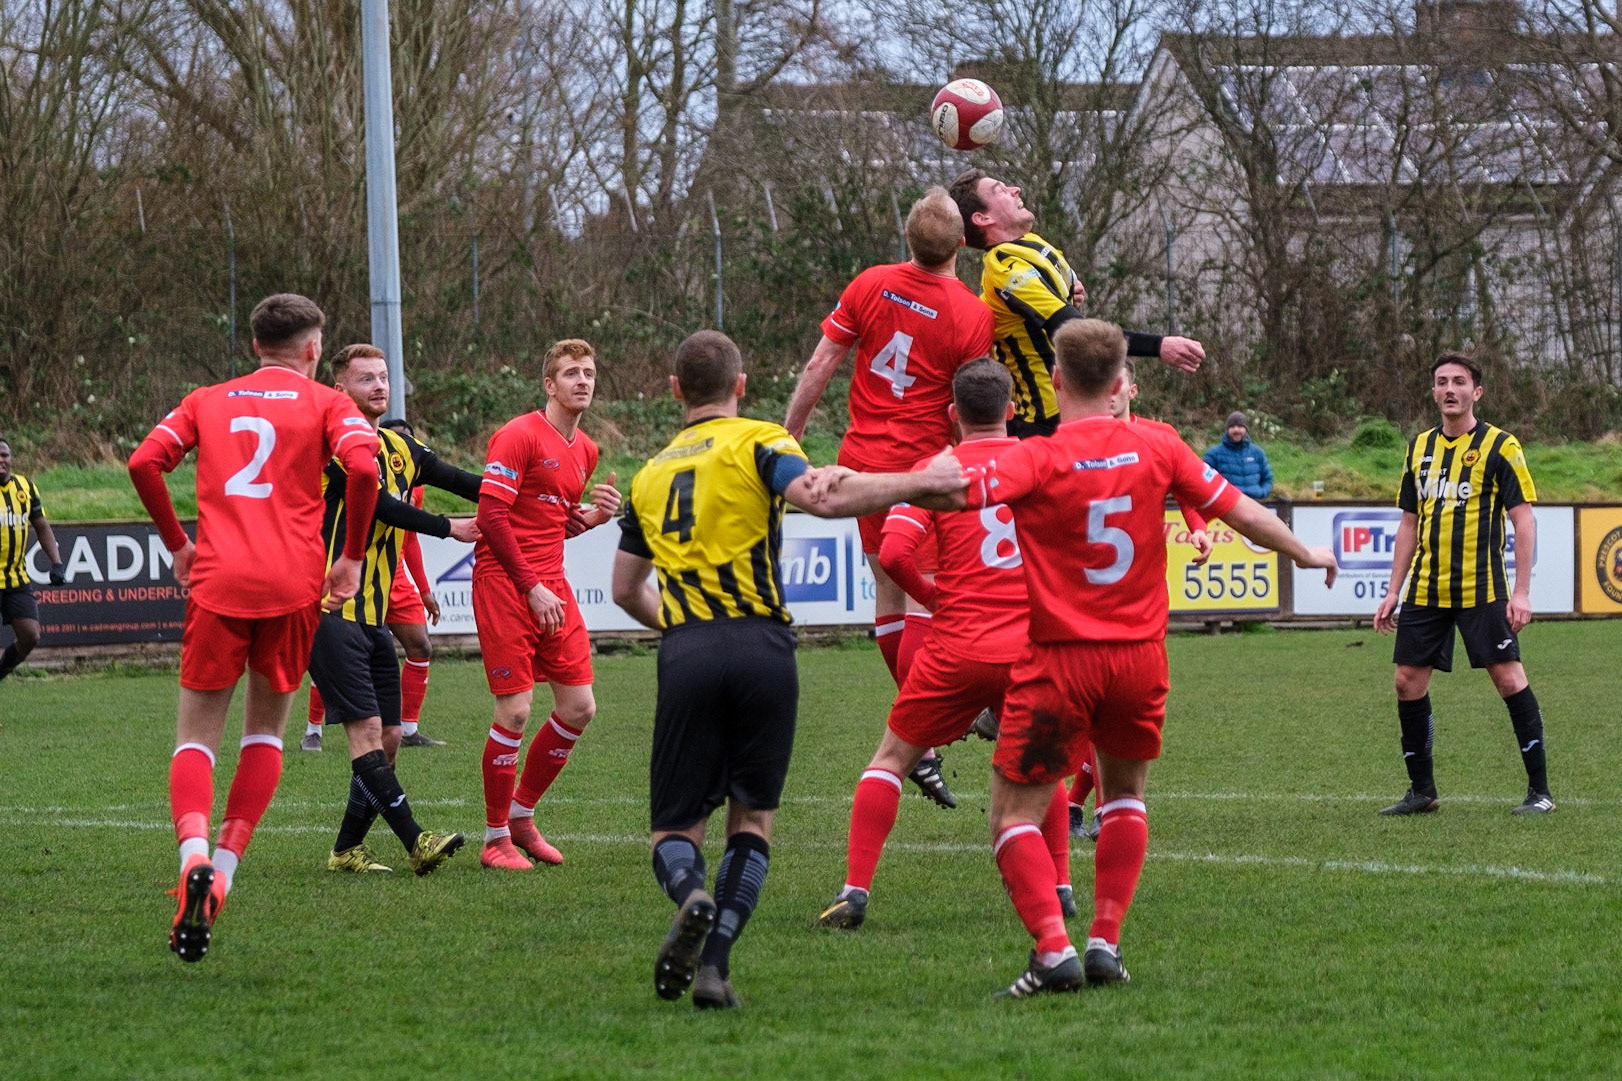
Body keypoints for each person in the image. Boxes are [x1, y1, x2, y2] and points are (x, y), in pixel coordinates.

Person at [951, 318, 1334, 996]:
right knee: (1124, 795)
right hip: (1138, 660)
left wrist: (855, 488)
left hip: (1061, 661)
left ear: (1056, 379)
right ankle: (1105, 940)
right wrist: (1306, 552)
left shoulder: (1037, 453)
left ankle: (1051, 948)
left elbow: (944, 488)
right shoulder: (1160, 444)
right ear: (1123, 380)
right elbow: (1242, 510)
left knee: (1012, 816)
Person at [611, 329, 969, 1011]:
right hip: (762, 650)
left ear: (674, 390)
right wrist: (923, 481)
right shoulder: (760, 440)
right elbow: (823, 497)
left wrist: (684, 626)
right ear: (741, 385)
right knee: (752, 822)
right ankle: (714, 968)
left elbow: (626, 587)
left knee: (674, 831)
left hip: (687, 648)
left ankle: (691, 895)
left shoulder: (649, 475)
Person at [126, 293, 381, 962]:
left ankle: (191, 858)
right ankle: (226, 874)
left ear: (254, 345)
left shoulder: (207, 398)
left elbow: (142, 462)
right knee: (265, 731)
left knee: (196, 739)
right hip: (292, 585)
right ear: (313, 349)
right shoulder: (328, 404)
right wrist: (349, 555)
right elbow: (362, 466)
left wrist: (178, 544)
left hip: (219, 581)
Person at [815, 358, 1077, 929]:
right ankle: (1060, 885)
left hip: (959, 646)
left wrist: (936, 602)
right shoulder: (1046, 464)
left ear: (953, 415)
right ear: (1012, 411)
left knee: (890, 760)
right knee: (1041, 768)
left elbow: (893, 554)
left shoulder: (936, 470)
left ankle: (854, 892)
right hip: (1033, 648)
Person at [782, 187, 993, 808]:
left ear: (907, 239)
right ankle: (937, 725)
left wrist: (788, 439)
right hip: (923, 476)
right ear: (962, 243)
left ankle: (925, 739)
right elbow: (968, 407)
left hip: (860, 470)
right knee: (940, 597)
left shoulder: (871, 283)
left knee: (889, 592)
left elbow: (821, 364)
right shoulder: (971, 313)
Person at [308, 344, 479, 875]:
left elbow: (461, 479)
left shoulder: (402, 448)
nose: (379, 386)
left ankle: (345, 849)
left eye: (383, 378)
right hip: (328, 610)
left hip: (373, 616)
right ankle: (416, 840)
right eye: (365, 380)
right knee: (365, 736)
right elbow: (377, 501)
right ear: (340, 390)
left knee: (389, 738)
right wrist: (449, 526)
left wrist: (541, 500)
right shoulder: (333, 445)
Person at [1372, 352, 1551, 816]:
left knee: (1508, 678)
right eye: (1441, 382)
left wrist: (1522, 590)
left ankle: (1540, 792)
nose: (1449, 389)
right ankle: (1422, 792)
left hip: (1482, 589)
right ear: (1433, 392)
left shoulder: (1501, 446)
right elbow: (1409, 522)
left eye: (1459, 381)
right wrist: (1393, 589)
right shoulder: (1418, 448)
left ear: (1477, 391)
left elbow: (1523, 521)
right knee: (1407, 681)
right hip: (1427, 589)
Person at [475, 338, 621, 871]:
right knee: (515, 709)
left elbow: (555, 523)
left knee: (579, 707)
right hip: (506, 583)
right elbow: (492, 517)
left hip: (549, 583)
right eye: (570, 373)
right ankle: (494, 841)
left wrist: (597, 518)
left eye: (589, 372)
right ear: (549, 384)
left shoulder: (585, 449)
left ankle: (521, 816)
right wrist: (530, 585)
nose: (582, 381)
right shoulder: (517, 435)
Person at [1065, 360, 1215, 839]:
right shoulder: (1072, 437)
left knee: (1115, 711)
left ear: (1132, 388)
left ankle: (1082, 807)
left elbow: (1188, 487)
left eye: (1119, 383)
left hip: (1139, 600)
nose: (1110, 392)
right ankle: (1081, 806)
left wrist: (1199, 529)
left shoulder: (1158, 437)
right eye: (1102, 384)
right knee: (1094, 710)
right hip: (1082, 599)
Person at [947, 169, 1205, 438]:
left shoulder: (1029, 243)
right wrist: (1160, 346)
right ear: (983, 218)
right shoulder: (1005, 268)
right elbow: (1080, 334)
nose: (1015, 189)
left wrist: (1070, 295)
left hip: (1072, 406)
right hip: (1041, 422)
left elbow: (1066, 294)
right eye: (1000, 190)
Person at [300, 417, 450, 752]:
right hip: (352, 570)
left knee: (420, 645)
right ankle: (313, 729)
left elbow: (408, 537)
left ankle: (408, 728)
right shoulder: (349, 466)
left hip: (393, 578)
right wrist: (449, 526)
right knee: (340, 655)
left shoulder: (414, 485)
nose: (396, 460)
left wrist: (424, 589)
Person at [0, 437, 66, 682]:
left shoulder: (25, 488)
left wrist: (56, 563)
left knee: (30, 635)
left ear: (11, 458)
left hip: (16, 579)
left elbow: (41, 527)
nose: (1, 460)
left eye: (5, 455)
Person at [1203, 411, 1274, 500]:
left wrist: (1262, 492)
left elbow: (1268, 479)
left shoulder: (1257, 452)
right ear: (1227, 430)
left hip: (1255, 503)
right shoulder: (1213, 454)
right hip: (1227, 506)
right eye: (1232, 427)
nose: (1236, 430)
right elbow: (1204, 480)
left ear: (1246, 429)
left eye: (1240, 426)